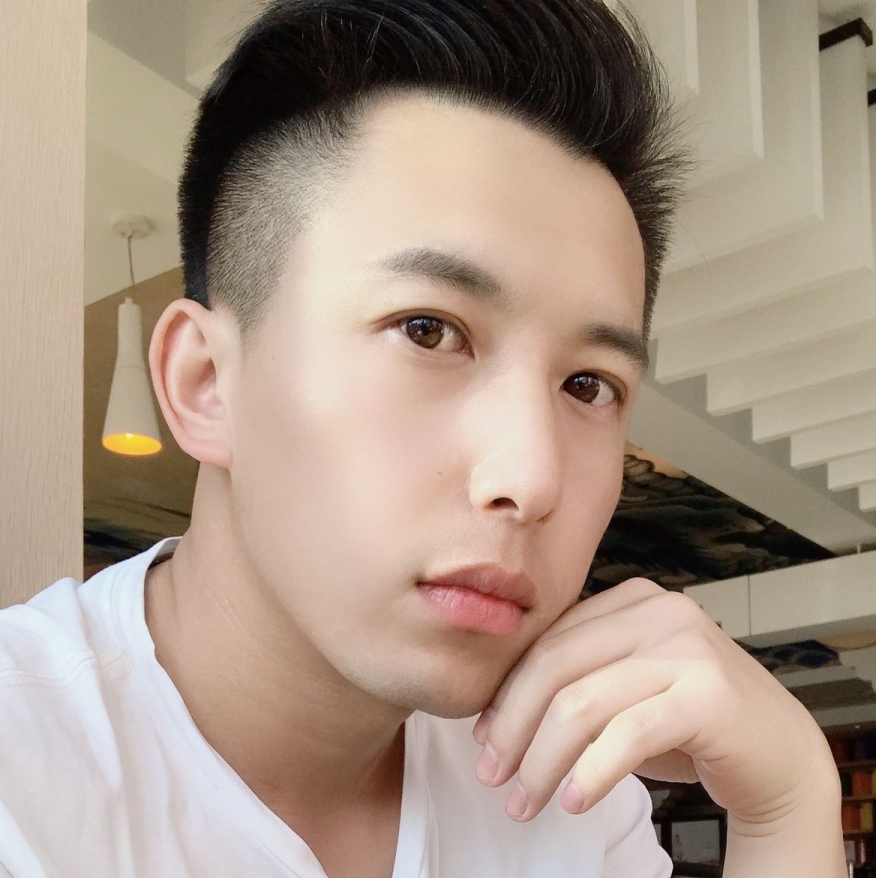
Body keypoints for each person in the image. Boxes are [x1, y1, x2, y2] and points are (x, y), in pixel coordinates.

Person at [0, 1, 845, 875]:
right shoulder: (22, 782)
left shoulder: (562, 788)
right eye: (428, 331)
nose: (531, 477)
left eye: (588, 385)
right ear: (207, 383)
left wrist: (786, 806)